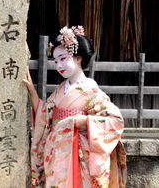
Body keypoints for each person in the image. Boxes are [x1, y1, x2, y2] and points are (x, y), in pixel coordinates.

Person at [23, 26, 127, 188]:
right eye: (56, 61)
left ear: (78, 58)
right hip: (57, 152)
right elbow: (45, 115)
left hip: (79, 155)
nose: (58, 65)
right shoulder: (60, 90)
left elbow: (115, 121)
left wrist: (82, 121)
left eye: (63, 58)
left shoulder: (90, 90)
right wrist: (31, 91)